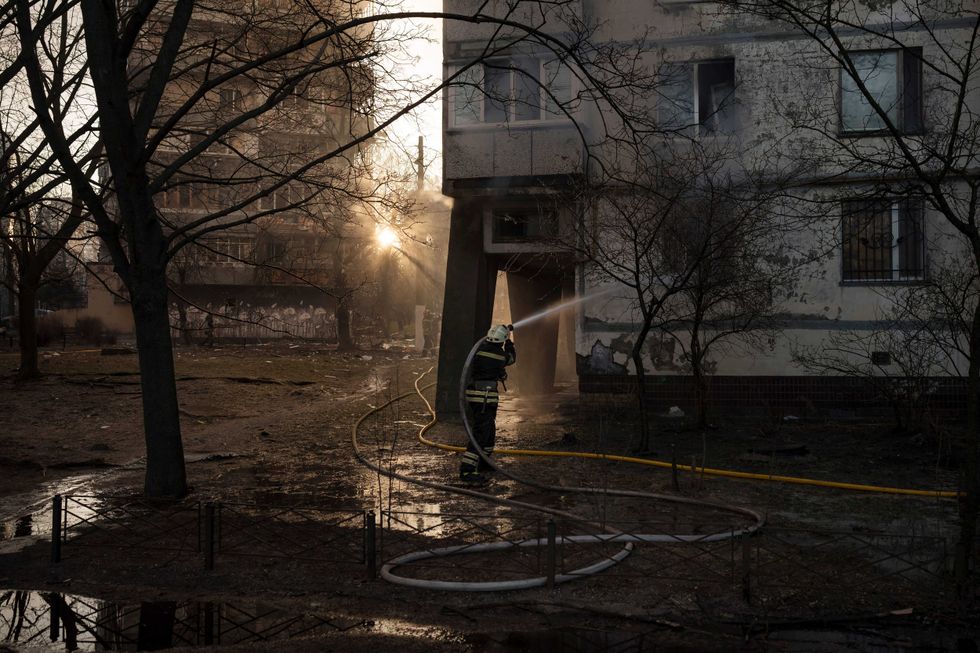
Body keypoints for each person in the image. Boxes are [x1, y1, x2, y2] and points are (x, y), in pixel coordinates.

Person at [459, 324, 516, 484]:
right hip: (484, 397)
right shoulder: (499, 355)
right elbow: (512, 358)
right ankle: (467, 470)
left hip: (480, 396)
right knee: (481, 433)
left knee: (489, 430)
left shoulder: (481, 349)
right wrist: (509, 343)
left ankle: (484, 461)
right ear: (501, 340)